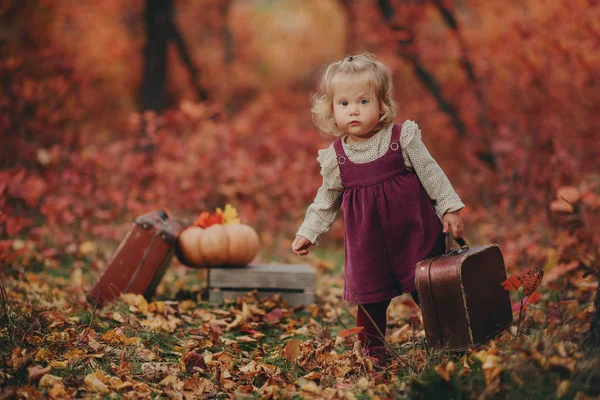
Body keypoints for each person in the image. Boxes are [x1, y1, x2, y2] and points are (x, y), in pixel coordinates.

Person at [291, 53, 465, 364]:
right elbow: (325, 200)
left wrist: (449, 209)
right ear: (331, 110)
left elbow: (431, 173)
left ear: (382, 105)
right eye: (344, 103)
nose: (353, 110)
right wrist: (308, 232)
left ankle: (451, 341)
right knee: (370, 299)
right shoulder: (336, 158)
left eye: (363, 101)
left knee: (428, 288)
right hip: (367, 243)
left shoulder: (402, 139)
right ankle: (373, 354)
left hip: (414, 234)